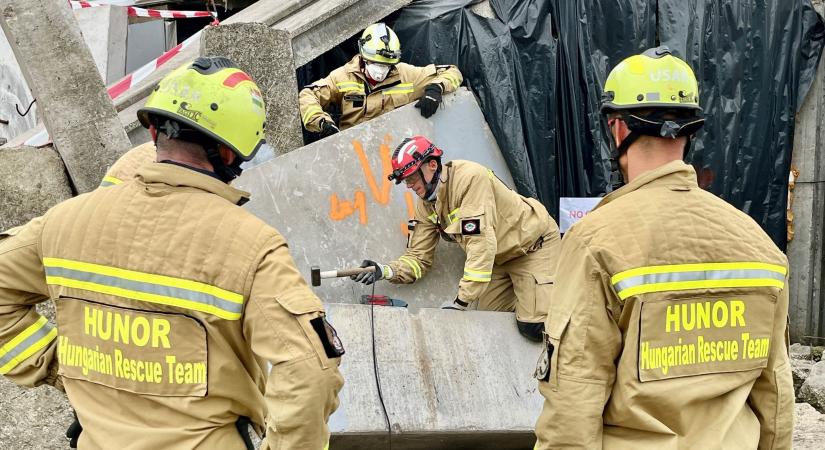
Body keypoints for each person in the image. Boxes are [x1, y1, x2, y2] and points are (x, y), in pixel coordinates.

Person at [0, 56, 344, 449]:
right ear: (231, 155)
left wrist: (64, 370)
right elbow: (310, 371)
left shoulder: (64, 222)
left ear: (152, 133)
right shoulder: (253, 247)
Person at [533, 47, 793, 449]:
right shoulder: (759, 243)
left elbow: (574, 404)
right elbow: (774, 395)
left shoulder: (596, 242)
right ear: (691, 130)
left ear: (616, 129)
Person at [351, 135, 560, 341]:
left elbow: (480, 244)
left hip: (533, 247)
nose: (409, 185)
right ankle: (532, 295)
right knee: (489, 325)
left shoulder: (470, 179)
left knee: (534, 328)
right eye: (406, 181)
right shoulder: (426, 205)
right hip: (498, 259)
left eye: (412, 178)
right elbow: (418, 258)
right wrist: (385, 270)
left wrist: (461, 302)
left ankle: (549, 296)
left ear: (432, 165)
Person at [299, 23, 464, 137]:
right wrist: (322, 123)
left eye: (386, 65)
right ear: (364, 57)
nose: (380, 70)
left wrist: (436, 88)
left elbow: (452, 72)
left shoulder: (406, 75)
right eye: (376, 64)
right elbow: (308, 95)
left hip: (397, 149)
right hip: (353, 151)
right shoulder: (342, 77)